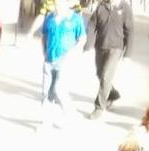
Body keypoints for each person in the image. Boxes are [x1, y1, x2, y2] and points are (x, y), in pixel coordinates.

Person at [36, 0, 86, 128]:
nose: (58, 4)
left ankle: (70, 116)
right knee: (46, 93)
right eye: (57, 2)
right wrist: (44, 51)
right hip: (49, 60)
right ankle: (46, 123)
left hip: (65, 61)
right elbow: (44, 35)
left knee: (60, 90)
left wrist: (74, 54)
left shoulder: (75, 19)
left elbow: (82, 38)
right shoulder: (49, 18)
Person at [86, 0, 132, 119]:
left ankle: (99, 107)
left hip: (116, 48)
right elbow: (92, 24)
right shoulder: (101, 6)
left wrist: (127, 53)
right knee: (100, 74)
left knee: (106, 76)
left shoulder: (125, 8)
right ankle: (112, 93)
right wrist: (89, 42)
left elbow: (129, 31)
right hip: (100, 46)